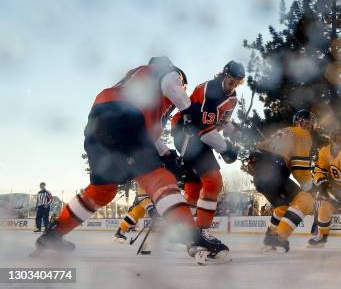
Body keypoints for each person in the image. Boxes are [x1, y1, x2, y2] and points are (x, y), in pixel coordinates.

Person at [35, 57, 228, 264]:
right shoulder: (167, 73)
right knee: (158, 179)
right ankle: (192, 236)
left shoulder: (135, 82)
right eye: (183, 85)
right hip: (125, 120)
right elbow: (173, 90)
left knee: (102, 190)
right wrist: (189, 110)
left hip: (98, 126)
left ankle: (53, 235)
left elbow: (148, 136)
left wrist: (166, 153)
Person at [171, 60, 244, 251]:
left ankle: (182, 229)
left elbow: (220, 121)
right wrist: (226, 149)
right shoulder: (209, 91)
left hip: (199, 135)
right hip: (188, 134)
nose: (234, 85)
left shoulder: (232, 97)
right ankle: (201, 231)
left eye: (238, 82)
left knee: (194, 187)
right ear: (223, 75)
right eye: (231, 81)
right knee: (213, 181)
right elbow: (204, 130)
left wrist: (232, 130)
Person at [247, 109, 316, 252]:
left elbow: (255, 155)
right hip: (274, 173)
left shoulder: (283, 132)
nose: (309, 126)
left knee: (283, 207)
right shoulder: (302, 133)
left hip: (261, 178)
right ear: (298, 122)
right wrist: (310, 187)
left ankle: (269, 239)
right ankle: (279, 238)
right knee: (307, 201)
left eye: (311, 123)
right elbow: (299, 166)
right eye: (307, 122)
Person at [308, 130, 341, 248]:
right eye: (334, 135)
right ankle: (322, 236)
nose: (336, 138)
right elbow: (319, 170)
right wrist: (321, 181)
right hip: (336, 187)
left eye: (339, 135)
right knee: (324, 207)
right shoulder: (325, 151)